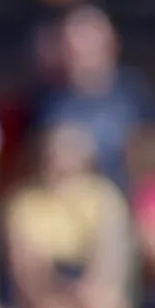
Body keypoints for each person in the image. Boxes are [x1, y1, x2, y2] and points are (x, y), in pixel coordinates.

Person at [4, 120, 134, 308]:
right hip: (48, 287)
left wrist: (91, 287)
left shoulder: (102, 195)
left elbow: (110, 253)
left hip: (89, 280)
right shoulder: (25, 203)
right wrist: (57, 291)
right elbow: (27, 267)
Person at [36, 5, 150, 191]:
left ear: (111, 42)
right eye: (74, 40)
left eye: (88, 40)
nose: (81, 49)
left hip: (128, 199)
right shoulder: (51, 102)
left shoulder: (133, 93)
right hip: (74, 204)